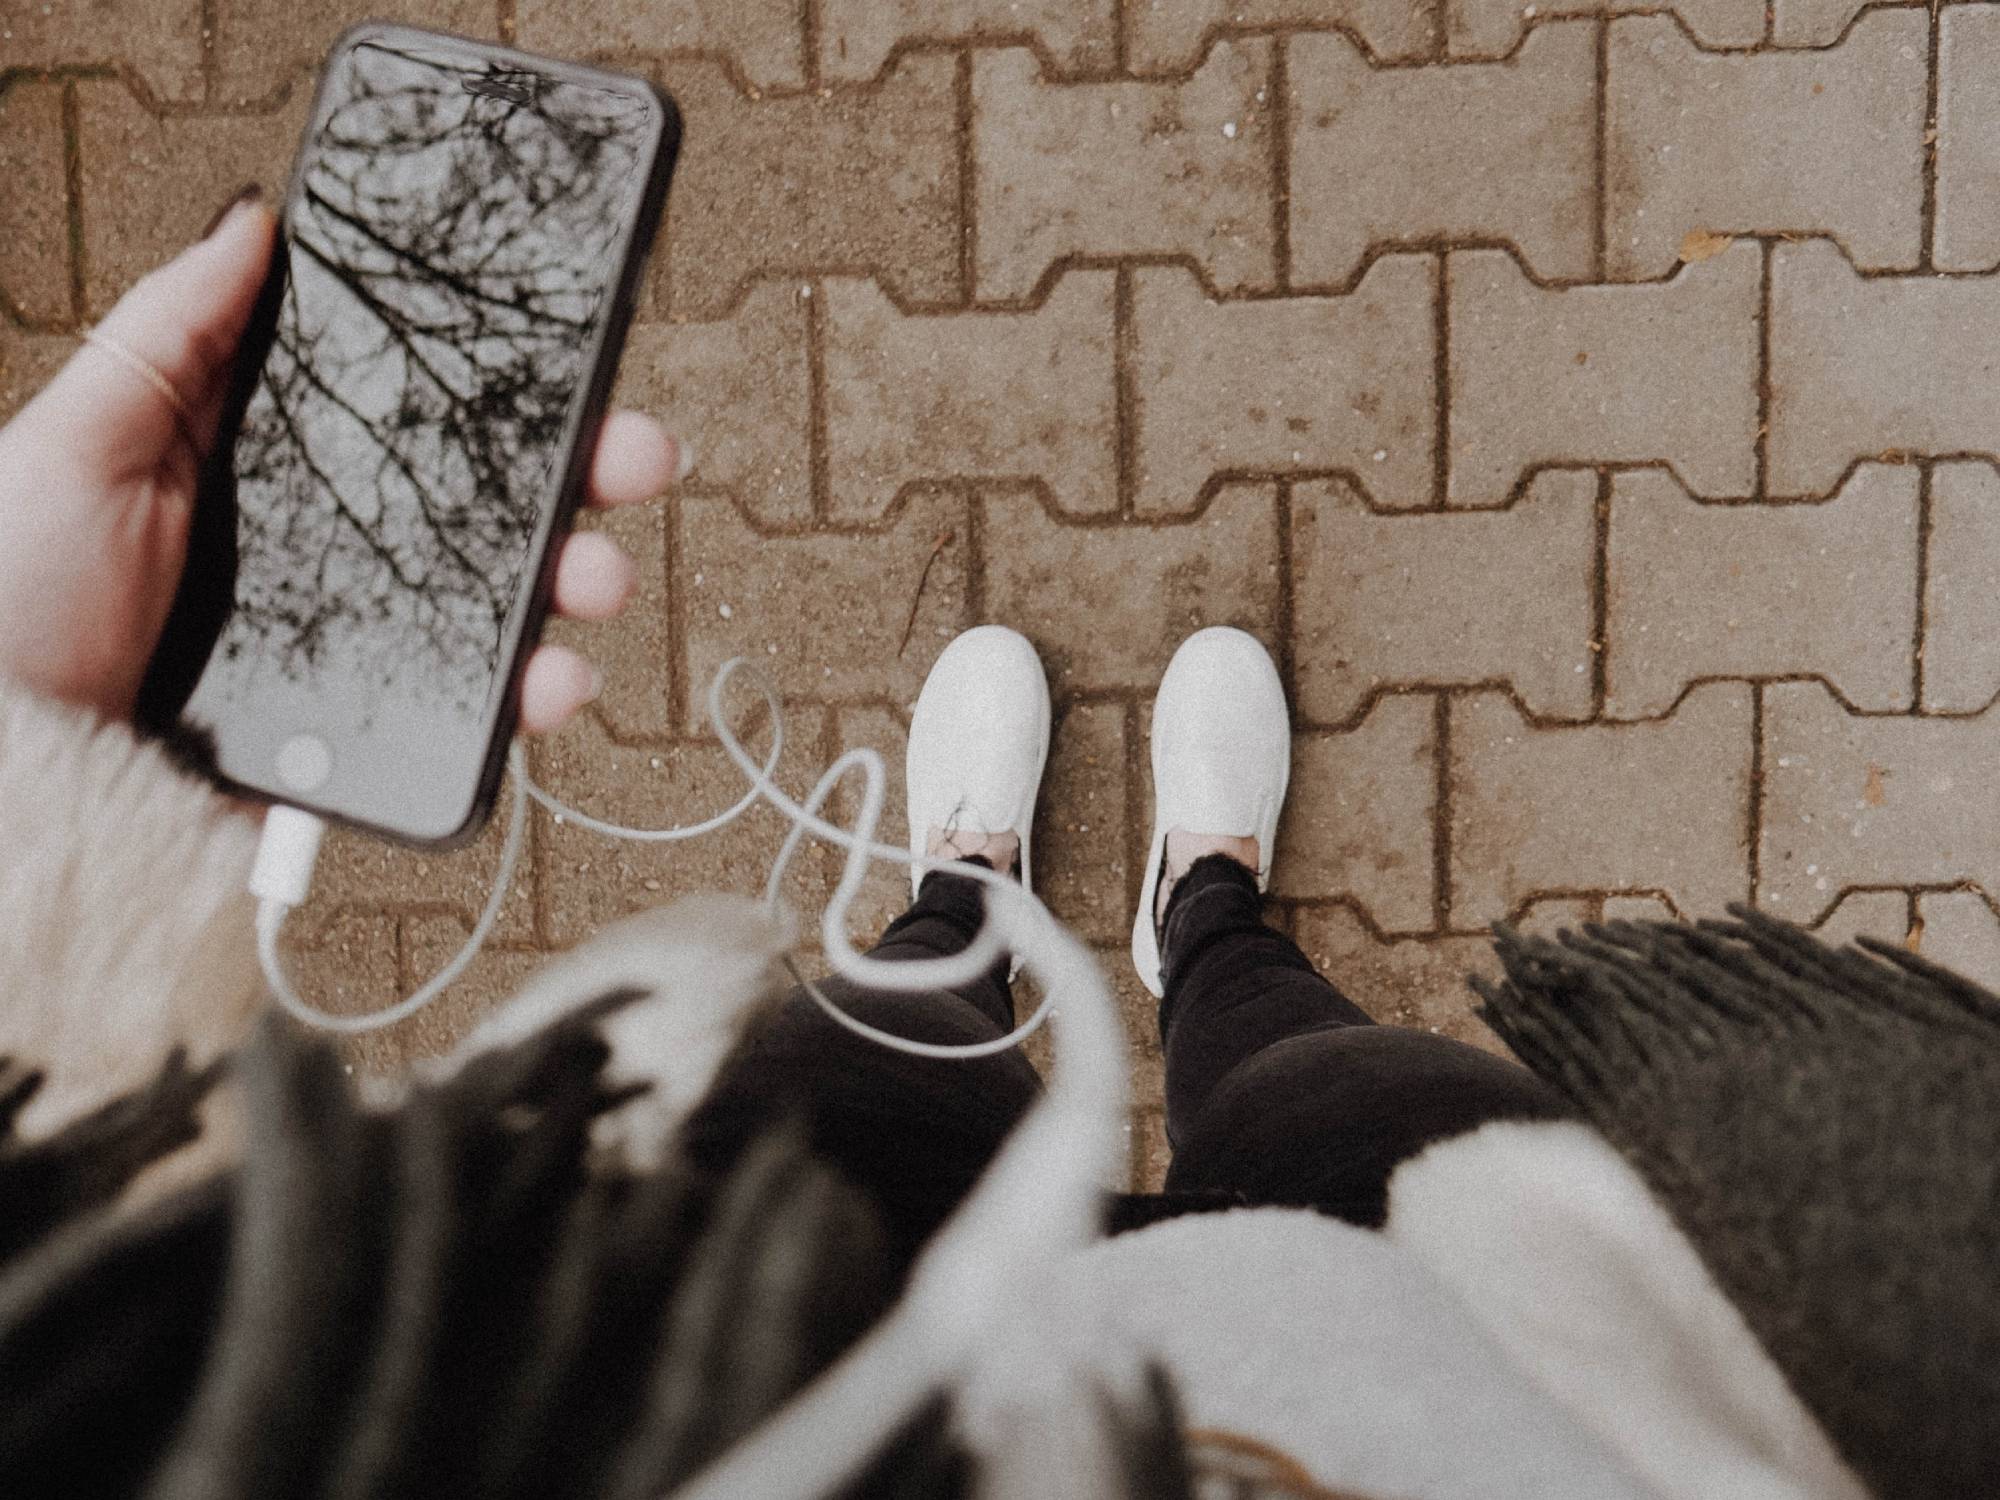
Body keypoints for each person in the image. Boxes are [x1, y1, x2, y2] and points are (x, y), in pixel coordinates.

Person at [2, 197, 1991, 1500]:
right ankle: (1202, 916)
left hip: (754, 1310)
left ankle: (969, 889)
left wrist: (29, 736)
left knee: (869, 1038)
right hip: (1452, 1335)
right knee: (1307, 1070)